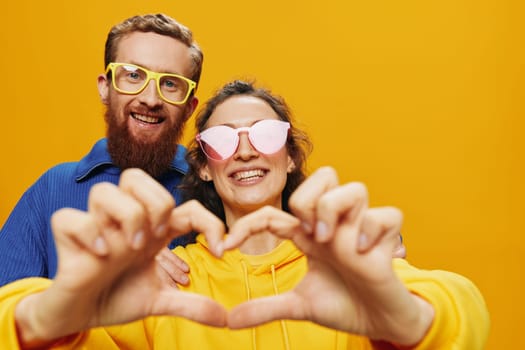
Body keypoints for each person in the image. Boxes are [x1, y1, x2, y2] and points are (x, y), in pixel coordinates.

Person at [0, 80, 489, 349]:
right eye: (223, 141)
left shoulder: (345, 267)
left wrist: (404, 318)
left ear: (291, 156)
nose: (247, 152)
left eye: (267, 135)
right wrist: (55, 310)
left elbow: (455, 306)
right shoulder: (167, 288)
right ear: (207, 170)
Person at [0, 13, 201, 286]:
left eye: (169, 83)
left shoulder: (212, 189)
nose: (150, 99)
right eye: (133, 75)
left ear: (189, 107)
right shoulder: (51, 189)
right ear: (105, 88)